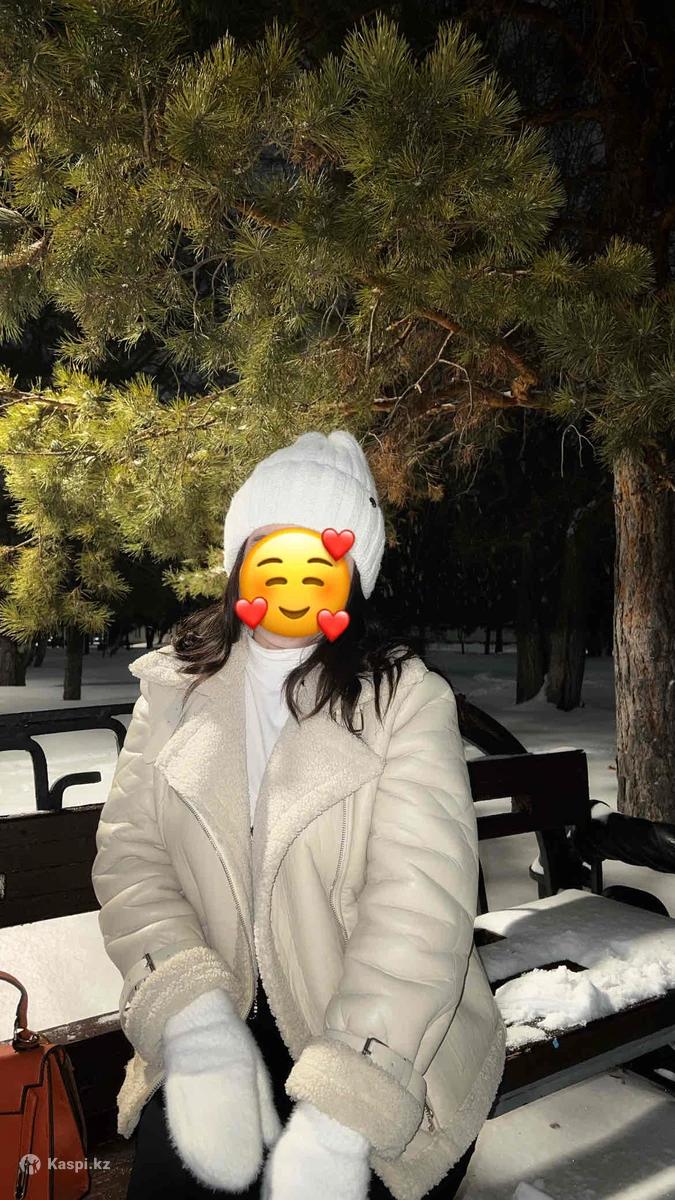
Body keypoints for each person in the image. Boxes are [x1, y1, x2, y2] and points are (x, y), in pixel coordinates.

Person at [92, 430, 507, 1200]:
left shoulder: (403, 700)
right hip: (212, 1005)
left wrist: (347, 1104)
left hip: (384, 1038)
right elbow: (132, 860)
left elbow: (421, 905)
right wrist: (193, 1022)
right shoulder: (174, 690)